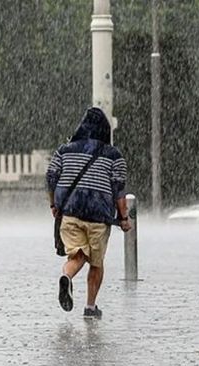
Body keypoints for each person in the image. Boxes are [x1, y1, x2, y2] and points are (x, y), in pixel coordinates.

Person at [46, 107, 131, 319]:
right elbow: (118, 191)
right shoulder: (114, 156)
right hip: (99, 217)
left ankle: (67, 275)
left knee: (78, 255)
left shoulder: (64, 150)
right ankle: (90, 308)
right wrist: (124, 218)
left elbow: (51, 178)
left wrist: (54, 204)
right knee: (96, 262)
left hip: (71, 213)